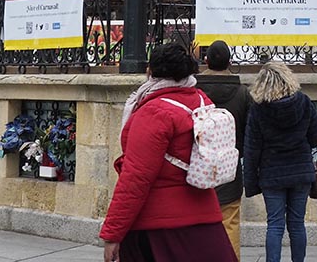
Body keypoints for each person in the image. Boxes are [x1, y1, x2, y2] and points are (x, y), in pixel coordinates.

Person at [100, 43, 237, 262]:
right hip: (205, 218)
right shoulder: (201, 101)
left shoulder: (154, 112)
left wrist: (112, 233)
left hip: (161, 226)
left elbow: (135, 179)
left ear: (150, 72)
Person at [244, 61, 317, 262]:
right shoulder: (304, 102)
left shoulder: (259, 109)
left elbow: (252, 149)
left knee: (274, 224)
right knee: (297, 224)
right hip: (301, 172)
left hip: (272, 174)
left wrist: (251, 183)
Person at [195, 41, 252, 261]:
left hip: (198, 168)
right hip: (230, 167)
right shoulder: (242, 94)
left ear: (206, 61)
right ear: (230, 62)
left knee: (198, 224)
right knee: (230, 224)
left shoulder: (194, 93)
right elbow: (249, 132)